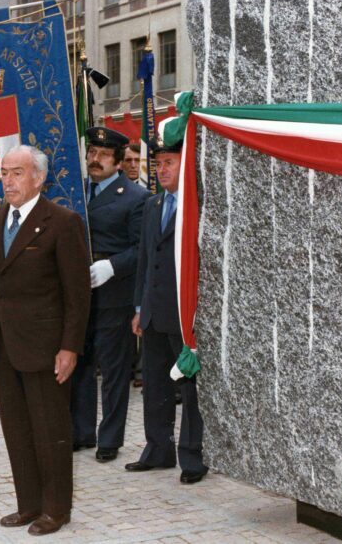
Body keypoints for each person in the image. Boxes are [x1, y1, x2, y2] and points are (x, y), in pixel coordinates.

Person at [0, 145, 90, 536]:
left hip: (45, 345)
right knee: (17, 429)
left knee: (50, 430)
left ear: (39, 178)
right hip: (3, 343)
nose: (7, 181)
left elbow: (77, 294)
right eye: (4, 173)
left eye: (16, 173)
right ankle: (28, 504)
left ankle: (56, 509)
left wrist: (70, 347)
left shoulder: (62, 222)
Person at [126, 138, 208, 484]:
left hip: (184, 312)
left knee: (188, 386)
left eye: (169, 163)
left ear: (185, 164)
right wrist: (139, 307)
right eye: (158, 165)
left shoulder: (197, 204)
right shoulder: (153, 203)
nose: (162, 170)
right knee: (155, 383)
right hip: (155, 311)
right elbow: (145, 258)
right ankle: (158, 449)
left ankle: (192, 457)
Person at [70, 127, 150, 463]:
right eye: (91, 152)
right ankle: (81, 431)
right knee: (79, 362)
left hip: (114, 292)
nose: (94, 159)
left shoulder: (134, 197)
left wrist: (112, 267)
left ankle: (109, 438)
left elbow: (141, 249)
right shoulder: (74, 191)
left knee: (114, 369)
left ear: (119, 162)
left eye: (103, 155)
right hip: (78, 292)